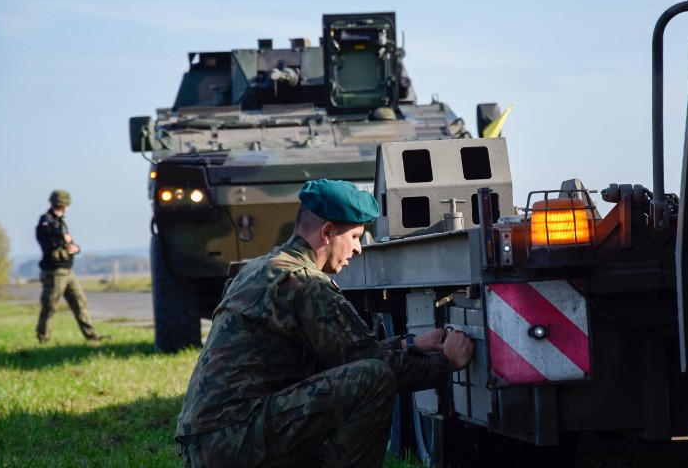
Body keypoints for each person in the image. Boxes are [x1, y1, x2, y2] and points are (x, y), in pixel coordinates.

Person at [176, 179, 474, 467]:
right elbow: (371, 364)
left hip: (211, 443)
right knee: (374, 379)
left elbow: (342, 355)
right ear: (328, 232)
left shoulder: (263, 267)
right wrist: (446, 362)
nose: (358, 249)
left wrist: (409, 343)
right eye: (355, 237)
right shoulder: (304, 283)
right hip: (235, 441)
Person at [35, 189, 107, 344]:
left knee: (80, 303)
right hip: (54, 272)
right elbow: (47, 244)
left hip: (68, 271)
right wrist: (61, 239)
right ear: (62, 204)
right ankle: (43, 339)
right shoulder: (45, 221)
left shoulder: (60, 222)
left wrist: (76, 248)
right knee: (50, 306)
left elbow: (67, 245)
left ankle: (92, 337)